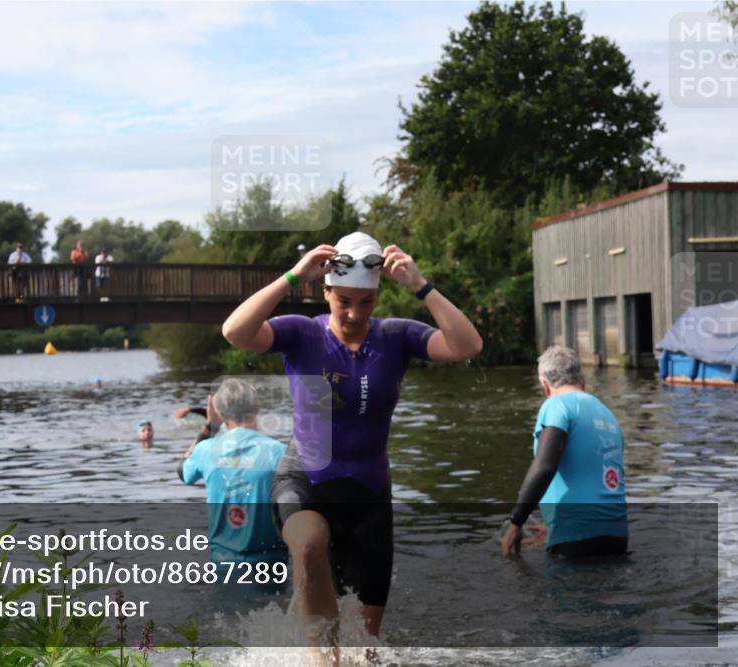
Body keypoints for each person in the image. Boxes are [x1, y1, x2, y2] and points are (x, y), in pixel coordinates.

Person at [221, 231, 482, 644]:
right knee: (308, 544)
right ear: (326, 292)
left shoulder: (396, 337)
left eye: (365, 302)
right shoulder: (301, 334)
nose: (354, 313)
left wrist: (420, 285)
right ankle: (323, 658)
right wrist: (292, 276)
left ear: (377, 297)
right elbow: (235, 332)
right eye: (344, 301)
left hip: (369, 497)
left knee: (367, 645)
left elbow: (468, 345)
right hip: (305, 480)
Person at [501, 346, 628, 559]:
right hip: (616, 533)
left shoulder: (555, 405)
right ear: (583, 380)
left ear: (545, 385)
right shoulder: (609, 415)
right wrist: (552, 527)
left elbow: (545, 467)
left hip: (575, 534)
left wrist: (517, 521)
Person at [178, 379, 288, 565]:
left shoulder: (205, 450)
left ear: (219, 414)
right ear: (257, 408)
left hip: (222, 560)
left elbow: (183, 473)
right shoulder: (279, 451)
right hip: (272, 562)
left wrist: (209, 428)